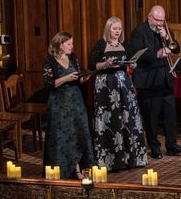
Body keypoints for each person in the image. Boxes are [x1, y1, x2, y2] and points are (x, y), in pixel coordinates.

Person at [88, 17, 148, 171]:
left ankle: (130, 158)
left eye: (119, 29)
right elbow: (92, 64)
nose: (117, 32)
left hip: (123, 84)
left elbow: (129, 62)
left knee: (127, 118)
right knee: (110, 119)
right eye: (114, 29)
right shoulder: (100, 44)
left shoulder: (125, 45)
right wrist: (105, 64)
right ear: (108, 29)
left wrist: (132, 64)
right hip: (106, 86)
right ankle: (109, 160)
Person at [129, 5, 181, 160]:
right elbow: (137, 53)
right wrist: (157, 53)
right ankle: (154, 147)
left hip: (164, 78)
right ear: (149, 16)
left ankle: (172, 145)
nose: (160, 23)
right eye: (157, 20)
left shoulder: (164, 30)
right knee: (151, 116)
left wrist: (167, 37)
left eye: (162, 20)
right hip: (148, 80)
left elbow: (176, 48)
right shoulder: (139, 31)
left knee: (170, 114)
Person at [42, 32, 95, 179]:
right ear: (60, 44)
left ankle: (78, 169)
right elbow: (48, 84)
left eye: (72, 43)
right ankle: (64, 169)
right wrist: (65, 78)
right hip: (59, 102)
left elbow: (78, 78)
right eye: (69, 44)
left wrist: (85, 77)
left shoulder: (73, 57)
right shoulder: (49, 61)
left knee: (79, 133)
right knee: (61, 134)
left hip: (75, 100)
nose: (72, 46)